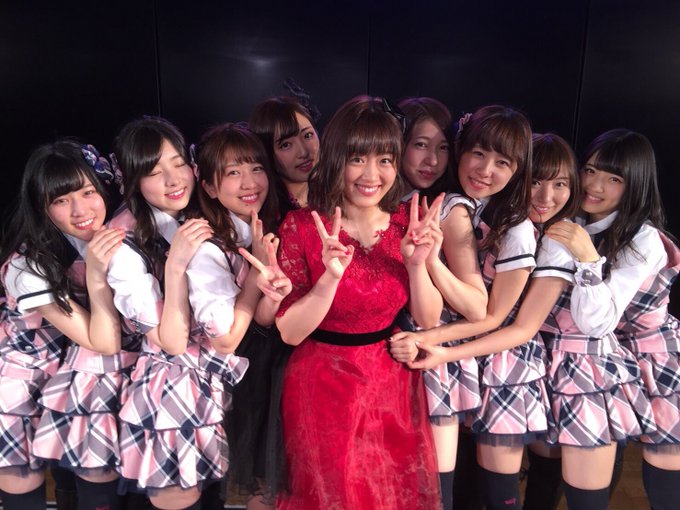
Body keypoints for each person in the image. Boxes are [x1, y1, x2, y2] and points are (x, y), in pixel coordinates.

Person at [273, 95, 443, 509]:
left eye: (385, 160)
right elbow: (290, 332)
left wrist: (418, 264)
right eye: (357, 159)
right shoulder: (302, 225)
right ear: (336, 159)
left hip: (393, 381)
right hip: (322, 385)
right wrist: (330, 279)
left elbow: (427, 319)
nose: (371, 174)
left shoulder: (406, 223)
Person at [408, 133, 579, 509]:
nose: (545, 195)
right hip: (472, 357)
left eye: (560, 184)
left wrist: (436, 345)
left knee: (499, 489)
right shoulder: (485, 213)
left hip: (506, 364)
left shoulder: (532, 236)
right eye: (536, 180)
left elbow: (511, 324)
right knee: (470, 482)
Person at [391, 105, 537, 510]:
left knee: (467, 485)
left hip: (476, 352)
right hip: (434, 348)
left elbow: (486, 313)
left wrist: (430, 338)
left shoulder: (460, 210)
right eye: (478, 154)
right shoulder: (426, 201)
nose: (485, 170)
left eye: (502, 162)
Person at [107, 117, 247, 510]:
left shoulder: (195, 215)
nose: (173, 180)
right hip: (169, 392)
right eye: (154, 172)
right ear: (132, 181)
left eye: (178, 163)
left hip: (211, 381)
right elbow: (170, 341)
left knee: (213, 498)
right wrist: (175, 265)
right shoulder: (123, 245)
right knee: (180, 499)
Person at [546, 129, 673, 509]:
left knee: (665, 486)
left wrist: (587, 258)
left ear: (635, 185)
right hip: (601, 358)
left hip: (652, 358)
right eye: (590, 171)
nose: (595, 186)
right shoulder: (572, 221)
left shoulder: (644, 239)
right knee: (588, 467)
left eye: (613, 178)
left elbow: (597, 323)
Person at [0, 140, 125, 510]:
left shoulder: (121, 232)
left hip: (83, 370)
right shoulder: (26, 266)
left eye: (87, 192)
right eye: (61, 200)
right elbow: (102, 341)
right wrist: (97, 276)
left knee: (96, 467)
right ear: (42, 207)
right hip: (25, 373)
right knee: (22, 479)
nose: (80, 210)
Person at [392, 97, 488, 510]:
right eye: (420, 144)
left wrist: (430, 262)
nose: (432, 159)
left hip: (429, 355)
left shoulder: (449, 210)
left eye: (442, 147)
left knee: (433, 488)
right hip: (377, 353)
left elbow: (476, 305)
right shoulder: (376, 201)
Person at [193, 122, 283, 510]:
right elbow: (226, 337)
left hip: (271, 369)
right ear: (210, 187)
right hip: (237, 381)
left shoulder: (264, 228)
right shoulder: (206, 246)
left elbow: (264, 319)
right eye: (233, 172)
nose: (250, 182)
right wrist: (259, 275)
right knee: (257, 487)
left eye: (256, 168)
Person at [249, 96, 320, 217]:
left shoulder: (343, 192)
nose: (303, 152)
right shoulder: (264, 216)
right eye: (286, 145)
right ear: (267, 153)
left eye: (308, 135)